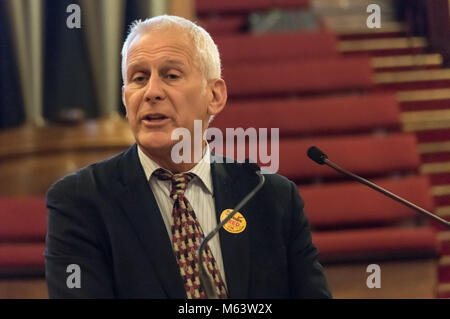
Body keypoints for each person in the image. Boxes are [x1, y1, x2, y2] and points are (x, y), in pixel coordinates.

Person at [45, 15, 331, 299]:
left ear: (215, 96)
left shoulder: (271, 197)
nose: (151, 92)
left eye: (171, 75)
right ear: (124, 98)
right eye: (139, 78)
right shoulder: (80, 202)